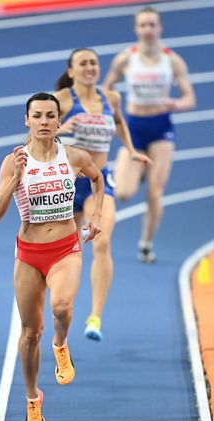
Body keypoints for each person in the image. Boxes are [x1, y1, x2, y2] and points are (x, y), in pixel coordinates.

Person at [0, 92, 104, 421]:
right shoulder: (14, 161)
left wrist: (96, 214)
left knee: (63, 306)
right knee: (28, 333)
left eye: (49, 116)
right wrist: (14, 178)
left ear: (58, 121)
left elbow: (98, 179)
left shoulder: (74, 156)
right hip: (28, 253)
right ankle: (32, 399)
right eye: (36, 116)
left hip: (65, 247)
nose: (43, 122)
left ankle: (61, 344)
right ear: (26, 120)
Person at [54, 48, 150, 342]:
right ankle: (60, 306)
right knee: (62, 248)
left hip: (100, 180)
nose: (89, 67)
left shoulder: (112, 99)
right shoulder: (62, 100)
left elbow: (120, 122)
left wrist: (131, 151)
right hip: (69, 180)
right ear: (71, 71)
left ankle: (95, 317)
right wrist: (61, 127)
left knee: (102, 240)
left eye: (93, 63)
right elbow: (37, 132)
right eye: (83, 63)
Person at [103, 6, 196, 263]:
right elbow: (105, 89)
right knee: (122, 193)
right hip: (134, 125)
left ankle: (146, 243)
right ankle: (138, 170)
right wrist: (113, 107)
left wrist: (176, 104)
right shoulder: (125, 59)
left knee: (155, 193)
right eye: (143, 25)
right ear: (136, 29)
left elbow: (190, 98)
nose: (148, 30)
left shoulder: (172, 60)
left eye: (152, 24)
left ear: (160, 28)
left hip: (161, 128)